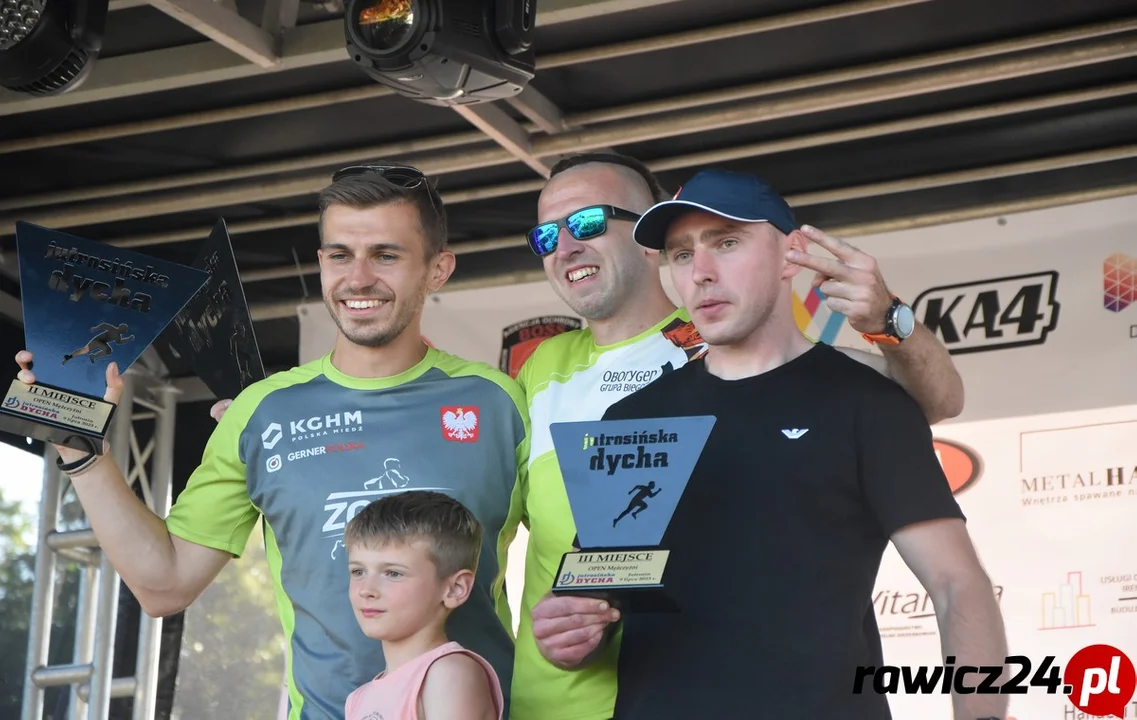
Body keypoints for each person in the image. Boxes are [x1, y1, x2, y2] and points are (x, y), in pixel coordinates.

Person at [15, 163, 530, 720]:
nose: (358, 278)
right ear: (321, 262)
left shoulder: (498, 401)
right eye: (340, 255)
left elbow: (566, 558)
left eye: (386, 255)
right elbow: (164, 585)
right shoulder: (262, 411)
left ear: (437, 269)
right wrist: (80, 447)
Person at [510, 153, 968, 720]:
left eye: (586, 222)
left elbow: (928, 402)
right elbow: (591, 577)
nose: (565, 246)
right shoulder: (560, 378)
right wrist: (569, 627)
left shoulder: (770, 351)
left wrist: (889, 320)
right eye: (545, 235)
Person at [343, 490, 503, 720]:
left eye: (393, 573)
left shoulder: (448, 674)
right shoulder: (357, 699)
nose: (366, 590)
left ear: (455, 588)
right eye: (358, 571)